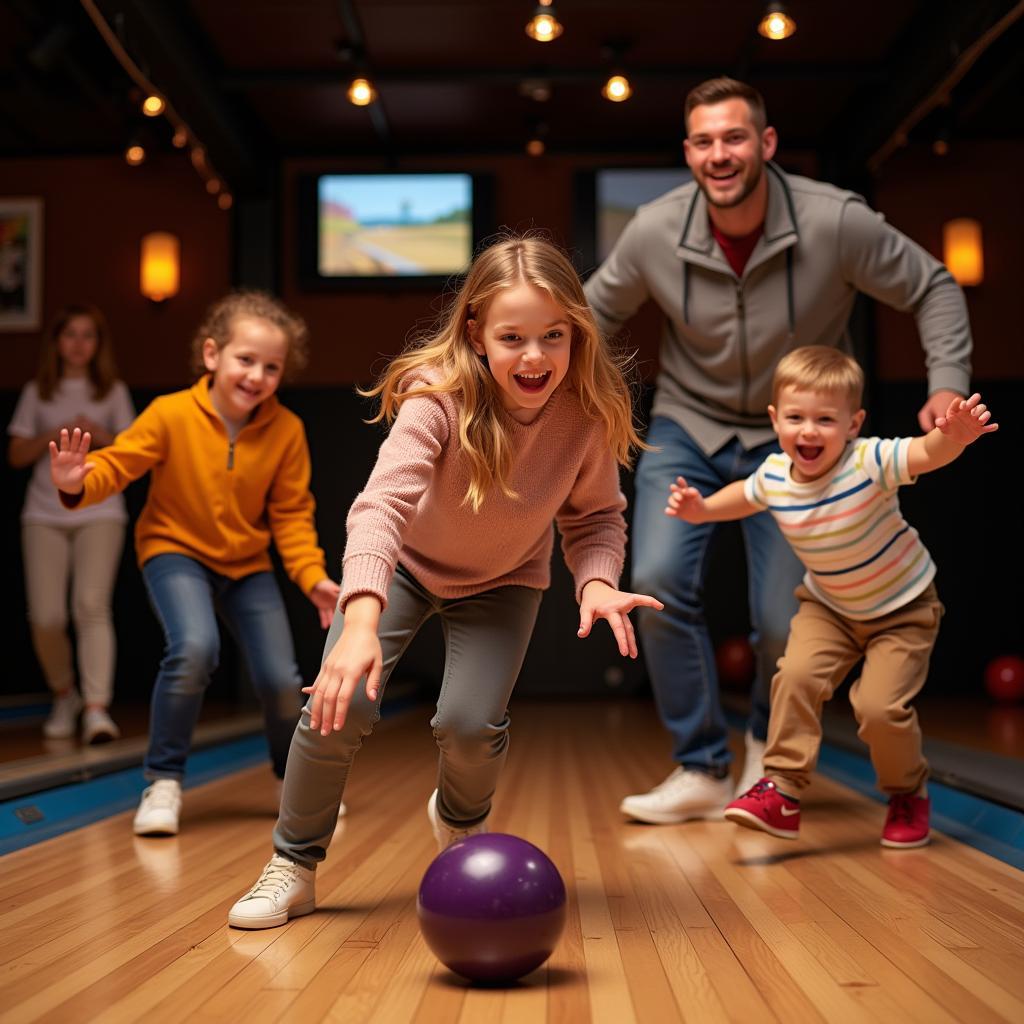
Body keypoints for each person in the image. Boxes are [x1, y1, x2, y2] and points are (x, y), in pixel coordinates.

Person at [226, 235, 663, 930]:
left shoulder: (584, 414)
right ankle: (294, 864)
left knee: (467, 727)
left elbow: (595, 520)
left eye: (553, 336)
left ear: (576, 334)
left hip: (506, 580)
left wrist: (596, 585)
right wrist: (360, 625)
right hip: (403, 569)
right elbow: (380, 507)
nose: (533, 356)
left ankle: (459, 824)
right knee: (336, 709)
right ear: (476, 335)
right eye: (512, 336)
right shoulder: (439, 398)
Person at [583, 76, 973, 823]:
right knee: (659, 579)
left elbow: (933, 286)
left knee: (778, 618)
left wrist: (945, 383)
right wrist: (574, 407)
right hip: (687, 424)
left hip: (801, 441)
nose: (718, 154)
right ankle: (699, 766)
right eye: (703, 141)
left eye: (734, 138)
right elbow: (593, 315)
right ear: (688, 152)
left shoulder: (835, 222)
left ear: (765, 144)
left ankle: (766, 753)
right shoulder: (655, 230)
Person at [665, 346, 996, 847]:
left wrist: (954, 439)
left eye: (825, 419)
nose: (809, 431)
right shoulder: (774, 475)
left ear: (853, 423)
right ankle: (782, 790)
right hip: (830, 608)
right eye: (796, 417)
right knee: (794, 677)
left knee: (880, 710)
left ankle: (908, 793)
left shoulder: (870, 461)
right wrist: (702, 509)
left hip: (903, 608)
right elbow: (744, 494)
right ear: (775, 420)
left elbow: (926, 453)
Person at [49, 290, 341, 836]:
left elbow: (293, 518)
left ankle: (292, 782)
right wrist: (78, 481)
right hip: (174, 550)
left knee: (282, 678)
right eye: (245, 360)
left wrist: (314, 579)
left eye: (272, 367)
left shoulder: (287, 433)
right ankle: (163, 782)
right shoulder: (170, 414)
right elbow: (118, 463)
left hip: (247, 564)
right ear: (212, 355)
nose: (257, 375)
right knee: (194, 648)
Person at [8, 305, 136, 743]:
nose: (79, 344)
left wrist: (100, 437)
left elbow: (134, 452)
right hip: (43, 514)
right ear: (57, 343)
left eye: (88, 335)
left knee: (91, 606)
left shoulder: (112, 392)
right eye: (70, 335)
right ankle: (66, 693)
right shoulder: (37, 392)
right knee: (46, 616)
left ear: (98, 345)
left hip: (99, 512)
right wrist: (53, 437)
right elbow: (15, 455)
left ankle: (97, 708)